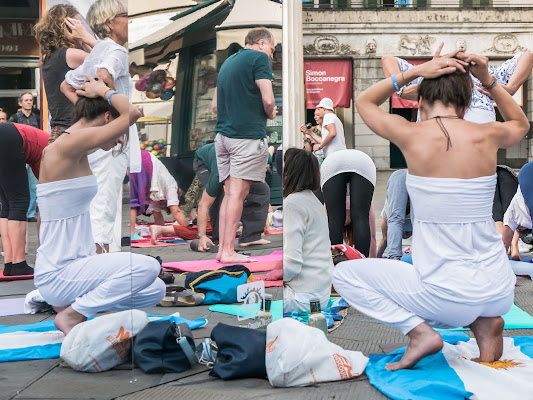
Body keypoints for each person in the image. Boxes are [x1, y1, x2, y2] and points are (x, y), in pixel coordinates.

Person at [333, 48, 529, 371]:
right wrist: (488, 79)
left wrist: (414, 73)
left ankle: (421, 334)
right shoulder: (488, 134)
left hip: (447, 298)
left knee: (343, 276)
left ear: (420, 102)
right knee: (464, 287)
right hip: (498, 289)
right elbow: (520, 123)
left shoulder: (410, 134)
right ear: (467, 107)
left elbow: (364, 102)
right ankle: (484, 322)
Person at [34, 77, 164, 335]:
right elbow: (133, 112)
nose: (118, 140)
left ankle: (79, 306)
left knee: (156, 288)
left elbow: (91, 113)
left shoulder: (76, 142)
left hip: (73, 268)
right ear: (107, 119)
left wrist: (91, 94)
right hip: (59, 272)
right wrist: (105, 91)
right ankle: (73, 315)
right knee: (148, 267)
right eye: (118, 134)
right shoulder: (69, 144)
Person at [61, 0, 137, 253]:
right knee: (103, 210)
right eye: (126, 15)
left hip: (96, 137)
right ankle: (99, 271)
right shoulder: (117, 51)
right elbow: (104, 76)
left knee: (95, 205)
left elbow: (67, 85)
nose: (131, 20)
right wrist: (113, 118)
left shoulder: (100, 49)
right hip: (111, 140)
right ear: (110, 22)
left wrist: (90, 116)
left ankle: (96, 265)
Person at [213, 27, 277, 263]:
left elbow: (214, 106)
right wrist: (270, 113)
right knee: (238, 194)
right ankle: (229, 251)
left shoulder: (229, 61)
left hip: (223, 136)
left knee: (230, 194)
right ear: (261, 43)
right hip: (246, 136)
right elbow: (268, 99)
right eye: (272, 48)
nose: (272, 54)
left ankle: (222, 249)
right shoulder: (259, 58)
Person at [149, 143, 271, 251]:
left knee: (262, 190)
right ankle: (218, 239)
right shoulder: (219, 173)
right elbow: (204, 205)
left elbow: (270, 151)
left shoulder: (260, 155)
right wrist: (202, 236)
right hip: (203, 161)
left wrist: (261, 218)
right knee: (217, 196)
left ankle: (250, 237)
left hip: (230, 158)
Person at [382, 46, 533, 124]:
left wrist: (509, 88)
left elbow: (527, 57)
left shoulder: (480, 82)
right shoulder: (431, 79)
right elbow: (388, 59)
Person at [35, 4, 96, 143]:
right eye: (78, 25)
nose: (81, 28)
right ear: (67, 28)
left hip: (60, 130)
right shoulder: (71, 54)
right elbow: (108, 62)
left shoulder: (52, 57)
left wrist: (81, 42)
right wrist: (86, 37)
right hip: (73, 129)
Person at [283, 148, 334, 313]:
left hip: (302, 298)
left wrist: (272, 277)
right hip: (321, 295)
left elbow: (291, 264)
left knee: (250, 293)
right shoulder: (314, 201)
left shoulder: (293, 203)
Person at [0, 122, 49, 276]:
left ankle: (9, 264)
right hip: (10, 137)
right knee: (20, 202)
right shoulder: (53, 155)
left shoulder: (48, 148)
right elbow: (48, 189)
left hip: (8, 135)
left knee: (6, 204)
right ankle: (19, 263)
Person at [320, 149, 376, 258]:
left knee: (334, 220)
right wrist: (373, 262)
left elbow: (324, 233)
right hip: (362, 162)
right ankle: (363, 263)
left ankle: (334, 264)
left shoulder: (328, 206)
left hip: (333, 163)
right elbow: (372, 237)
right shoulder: (366, 207)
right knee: (360, 218)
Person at [129, 150, 188, 236]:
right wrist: (188, 230)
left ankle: (132, 231)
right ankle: (132, 232)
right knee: (134, 198)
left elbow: (157, 215)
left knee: (134, 197)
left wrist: (163, 231)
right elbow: (176, 212)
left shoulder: (157, 195)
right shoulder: (172, 186)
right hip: (145, 161)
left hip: (143, 160)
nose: (163, 204)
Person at [502, 161, 533, 255]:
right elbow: (505, 244)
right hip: (526, 172)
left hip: (527, 174)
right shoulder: (513, 214)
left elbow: (504, 244)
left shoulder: (513, 216)